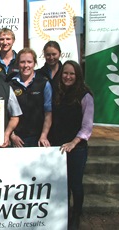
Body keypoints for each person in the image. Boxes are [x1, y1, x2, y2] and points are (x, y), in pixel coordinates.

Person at [52, 60, 94, 230]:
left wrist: (73, 142)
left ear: (77, 76)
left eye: (71, 74)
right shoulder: (57, 93)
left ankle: (76, 214)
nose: (68, 77)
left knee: (75, 184)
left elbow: (87, 127)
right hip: (58, 148)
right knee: (62, 184)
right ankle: (64, 214)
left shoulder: (85, 96)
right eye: (65, 73)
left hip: (77, 149)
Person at [9, 48, 52, 147]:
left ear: (35, 63)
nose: (26, 65)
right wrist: (12, 135)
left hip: (38, 138)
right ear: (17, 64)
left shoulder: (44, 83)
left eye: (29, 62)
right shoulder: (11, 84)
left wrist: (44, 136)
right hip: (16, 138)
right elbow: (6, 113)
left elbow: (48, 113)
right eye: (22, 62)